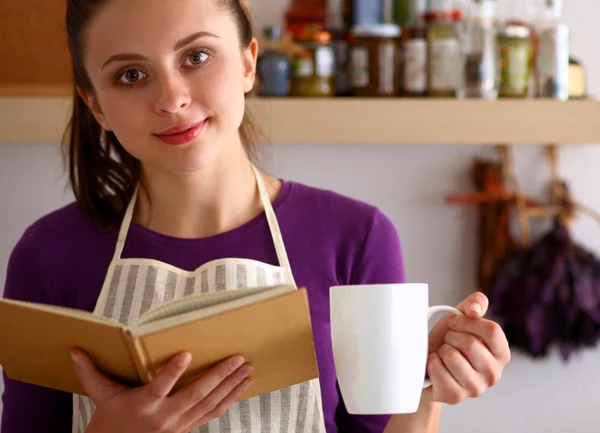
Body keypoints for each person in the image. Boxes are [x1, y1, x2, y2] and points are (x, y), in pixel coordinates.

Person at [0, 0, 511, 432]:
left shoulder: (355, 237)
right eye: (131, 75)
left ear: (248, 64)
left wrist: (430, 383)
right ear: (96, 106)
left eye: (197, 56)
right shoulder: (48, 256)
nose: (172, 99)